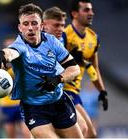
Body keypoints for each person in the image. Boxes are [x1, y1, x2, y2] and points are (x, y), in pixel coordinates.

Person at [0, 3, 83, 138]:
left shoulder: (52, 42)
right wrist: (3, 54)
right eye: (25, 24)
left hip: (59, 102)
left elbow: (74, 68)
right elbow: (11, 52)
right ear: (20, 28)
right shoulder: (19, 46)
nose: (30, 28)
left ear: (41, 25)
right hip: (34, 108)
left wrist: (58, 79)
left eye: (34, 23)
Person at [63, 0, 108, 137]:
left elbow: (94, 67)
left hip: (75, 92)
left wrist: (102, 91)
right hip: (63, 90)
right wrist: (70, 59)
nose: (91, 13)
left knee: (90, 134)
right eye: (86, 10)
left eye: (91, 10)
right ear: (75, 14)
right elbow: (51, 64)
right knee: (85, 132)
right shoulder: (64, 35)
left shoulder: (93, 38)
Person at [42, 6, 88, 136]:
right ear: (43, 25)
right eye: (56, 25)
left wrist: (73, 56)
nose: (60, 29)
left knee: (83, 128)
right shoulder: (37, 42)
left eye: (62, 25)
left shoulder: (62, 38)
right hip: (44, 96)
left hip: (61, 89)